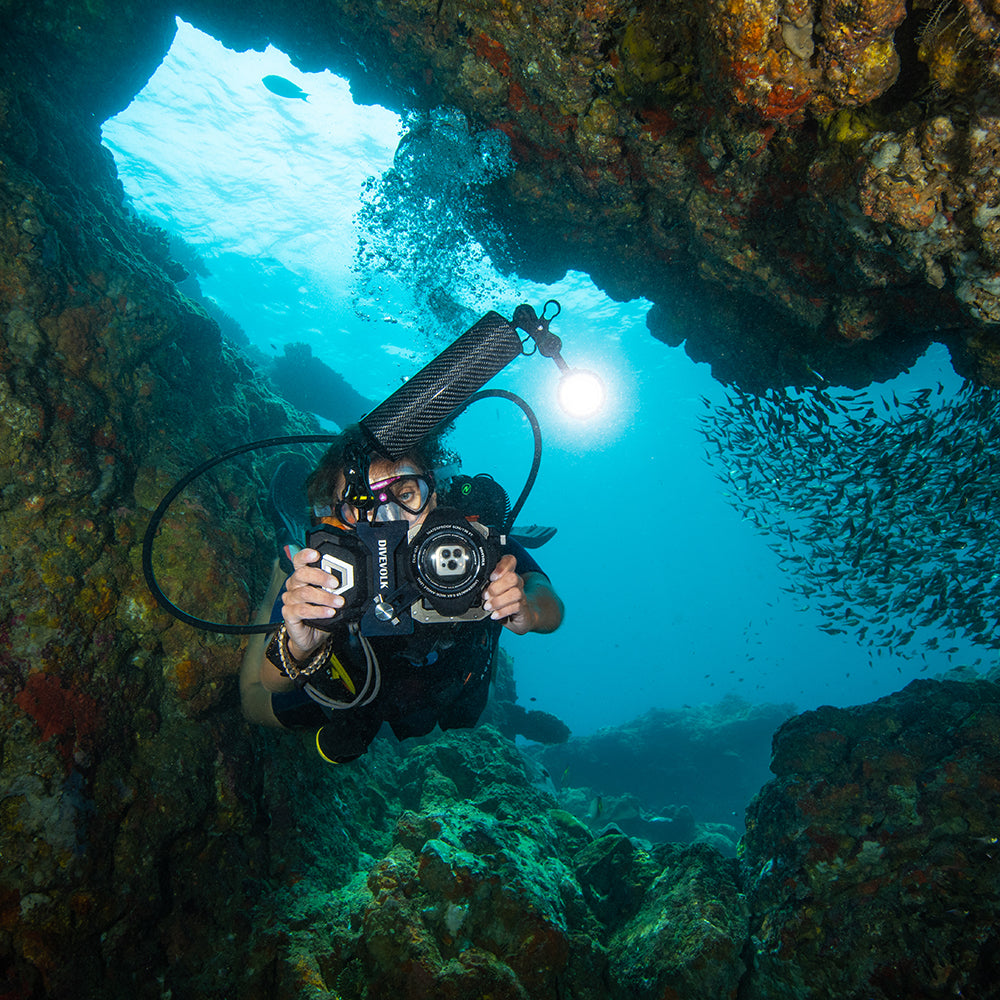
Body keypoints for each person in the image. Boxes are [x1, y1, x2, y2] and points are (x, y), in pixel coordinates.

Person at [240, 426, 564, 762]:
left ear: (434, 493)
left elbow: (546, 596)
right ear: (342, 518)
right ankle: (285, 556)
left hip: (446, 679)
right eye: (363, 506)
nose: (391, 519)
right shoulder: (333, 572)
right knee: (264, 710)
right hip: (360, 685)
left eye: (406, 495)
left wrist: (527, 611)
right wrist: (300, 646)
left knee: (466, 714)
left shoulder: (467, 544)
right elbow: (265, 686)